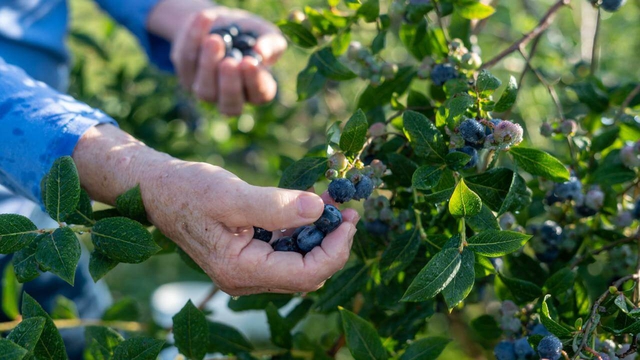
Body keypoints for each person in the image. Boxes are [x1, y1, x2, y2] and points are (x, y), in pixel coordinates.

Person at [0, 0, 358, 357]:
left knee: (80, 336)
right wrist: (148, 177)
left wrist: (190, 19)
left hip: (36, 215)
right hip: (34, 175)